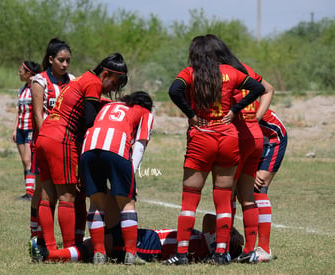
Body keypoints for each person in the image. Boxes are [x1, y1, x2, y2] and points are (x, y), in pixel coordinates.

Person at [163, 35, 266, 266]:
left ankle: (181, 254)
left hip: (202, 137)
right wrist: (235, 110)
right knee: (223, 199)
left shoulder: (190, 73)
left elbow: (173, 91)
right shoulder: (230, 72)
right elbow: (258, 87)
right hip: (228, 137)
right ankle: (222, 253)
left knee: (189, 200)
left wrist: (191, 115)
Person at [34, 53, 128, 253]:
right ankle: (69, 249)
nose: (114, 87)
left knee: (46, 195)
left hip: (44, 135)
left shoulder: (82, 78)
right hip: (61, 138)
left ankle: (48, 247)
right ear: (105, 74)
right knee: (68, 196)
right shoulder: (93, 83)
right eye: (116, 81)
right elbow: (89, 120)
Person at [203, 34, 274, 263]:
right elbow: (268, 89)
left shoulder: (221, 74)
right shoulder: (245, 68)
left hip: (239, 138)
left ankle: (222, 250)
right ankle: (250, 251)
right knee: (247, 196)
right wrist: (256, 118)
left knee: (227, 195)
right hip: (256, 136)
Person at [28, 194, 244, 264]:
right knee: (108, 200)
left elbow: (208, 218)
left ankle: (49, 255)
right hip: (147, 236)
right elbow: (209, 220)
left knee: (98, 245)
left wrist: (231, 234)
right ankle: (56, 252)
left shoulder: (212, 247)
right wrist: (232, 234)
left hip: (151, 247)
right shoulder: (214, 243)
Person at [80, 91, 154, 265]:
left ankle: (99, 253)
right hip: (115, 149)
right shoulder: (145, 112)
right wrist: (131, 174)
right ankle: (130, 254)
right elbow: (139, 146)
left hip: (88, 148)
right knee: (127, 204)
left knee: (96, 204)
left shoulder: (109, 105)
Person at [29, 38, 75, 244]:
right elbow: (39, 115)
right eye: (61, 60)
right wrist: (48, 137)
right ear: (50, 60)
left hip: (66, 144)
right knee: (43, 190)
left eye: (67, 61)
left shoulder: (72, 80)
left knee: (64, 191)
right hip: (45, 142)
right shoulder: (39, 81)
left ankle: (60, 240)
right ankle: (36, 235)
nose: (64, 65)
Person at [254, 108, 288, 262]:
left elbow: (269, 89)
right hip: (253, 135)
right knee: (235, 188)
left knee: (258, 189)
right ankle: (225, 246)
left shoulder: (234, 92)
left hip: (273, 136)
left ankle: (264, 249)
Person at [12, 60, 41, 200]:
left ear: (29, 73)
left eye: (21, 71)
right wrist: (14, 129)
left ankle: (31, 192)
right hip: (20, 128)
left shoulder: (35, 89)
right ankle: (28, 191)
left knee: (27, 159)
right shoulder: (22, 90)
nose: (19, 74)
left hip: (30, 128)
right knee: (24, 161)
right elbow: (19, 111)